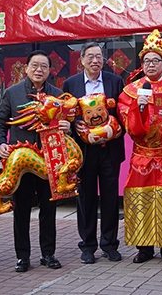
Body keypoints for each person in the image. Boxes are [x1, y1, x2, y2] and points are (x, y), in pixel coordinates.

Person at [117, 29, 162, 264]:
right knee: (141, 201)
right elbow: (126, 123)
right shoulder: (131, 91)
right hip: (142, 157)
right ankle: (144, 248)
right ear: (141, 63)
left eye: (156, 60)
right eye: (147, 60)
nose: (151, 64)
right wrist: (135, 109)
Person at [0, 50, 71, 272]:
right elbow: (0, 123)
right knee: (22, 208)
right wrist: (0, 144)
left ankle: (48, 254)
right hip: (23, 162)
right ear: (26, 68)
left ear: (49, 70)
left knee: (49, 208)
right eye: (35, 65)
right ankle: (23, 256)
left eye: (44, 66)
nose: (39, 70)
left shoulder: (57, 95)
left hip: (50, 161)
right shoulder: (12, 93)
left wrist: (68, 127)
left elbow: (69, 123)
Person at [62, 42, 125, 264]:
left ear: (103, 59)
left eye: (99, 56)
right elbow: (65, 117)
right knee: (85, 199)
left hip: (110, 151)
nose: (95, 60)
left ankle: (109, 244)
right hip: (83, 152)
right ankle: (87, 246)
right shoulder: (70, 84)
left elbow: (124, 113)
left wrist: (117, 130)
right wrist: (75, 125)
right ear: (82, 60)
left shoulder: (115, 82)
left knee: (110, 199)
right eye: (90, 57)